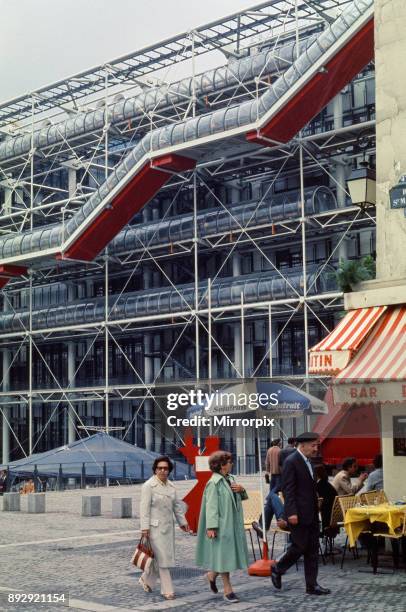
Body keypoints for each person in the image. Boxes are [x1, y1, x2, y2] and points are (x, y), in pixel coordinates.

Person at [271, 432, 330, 596]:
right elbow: (288, 490)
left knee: (312, 549)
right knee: (299, 546)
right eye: (313, 445)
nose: (316, 448)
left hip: (311, 513)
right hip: (298, 513)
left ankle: (312, 585)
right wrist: (291, 513)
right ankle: (277, 568)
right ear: (302, 445)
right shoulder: (291, 461)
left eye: (316, 445)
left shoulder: (309, 462)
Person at [196, 450, 249, 603]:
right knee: (225, 556)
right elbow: (211, 506)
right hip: (221, 525)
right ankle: (228, 590)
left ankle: (212, 575)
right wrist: (211, 527)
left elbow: (240, 498)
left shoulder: (231, 479)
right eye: (229, 462)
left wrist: (242, 490)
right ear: (221, 466)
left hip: (233, 524)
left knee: (226, 555)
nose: (232, 464)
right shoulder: (213, 483)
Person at [139, 456, 189, 600]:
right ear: (155, 469)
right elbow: (144, 509)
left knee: (158, 559)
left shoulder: (172, 487)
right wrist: (144, 529)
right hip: (153, 529)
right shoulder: (148, 486)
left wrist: (183, 522)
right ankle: (167, 590)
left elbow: (177, 507)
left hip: (168, 529)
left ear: (169, 470)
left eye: (165, 468)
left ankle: (146, 579)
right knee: (163, 560)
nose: (162, 470)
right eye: (160, 468)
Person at [314, 464, 338, 533]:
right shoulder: (325, 483)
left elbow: (321, 500)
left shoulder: (319, 484)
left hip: (327, 512)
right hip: (333, 511)